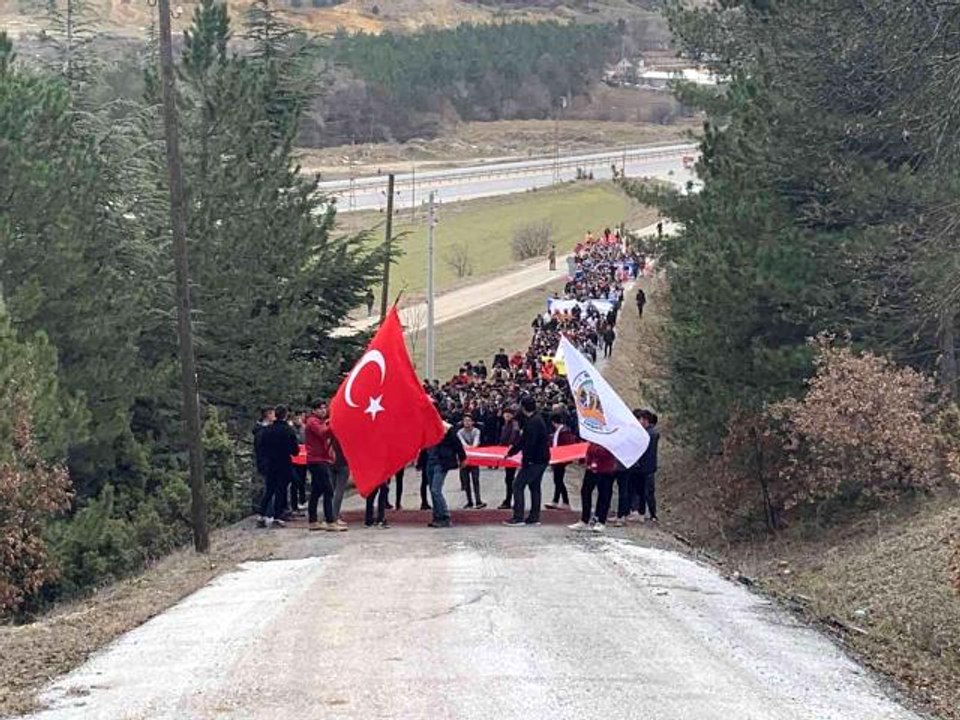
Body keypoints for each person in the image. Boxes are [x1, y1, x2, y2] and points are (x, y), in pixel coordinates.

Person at [503, 396, 550, 527]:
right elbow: (524, 441)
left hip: (534, 461)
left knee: (517, 485)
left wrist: (526, 461)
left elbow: (528, 443)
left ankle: (518, 517)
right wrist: (512, 452)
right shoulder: (536, 419)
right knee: (535, 487)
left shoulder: (532, 422)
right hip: (541, 459)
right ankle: (534, 517)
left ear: (523, 407)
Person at [257, 405, 299, 528]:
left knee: (269, 489)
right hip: (284, 463)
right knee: (281, 489)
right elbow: (294, 450)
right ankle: (277, 516)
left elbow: (262, 447)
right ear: (285, 415)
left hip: (270, 463)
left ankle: (261, 515)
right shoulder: (288, 430)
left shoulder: (267, 430)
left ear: (276, 415)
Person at [305, 401, 342, 532]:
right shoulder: (313, 422)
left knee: (316, 491)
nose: (323, 410)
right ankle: (330, 521)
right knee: (328, 490)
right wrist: (333, 423)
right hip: (317, 460)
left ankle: (313, 521)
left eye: (324, 408)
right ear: (314, 410)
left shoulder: (319, 421)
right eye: (320, 408)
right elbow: (323, 432)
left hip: (321, 459)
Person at [424, 420, 466, 528]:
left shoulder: (446, 427)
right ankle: (437, 516)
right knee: (433, 491)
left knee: (435, 490)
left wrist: (462, 458)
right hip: (429, 461)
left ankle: (445, 516)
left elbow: (457, 444)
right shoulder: (425, 425)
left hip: (441, 462)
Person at [569, 442, 619, 533]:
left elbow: (609, 453)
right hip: (591, 469)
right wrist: (588, 461)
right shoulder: (593, 440)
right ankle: (584, 519)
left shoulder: (611, 440)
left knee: (604, 494)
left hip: (606, 470)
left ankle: (601, 520)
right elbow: (589, 450)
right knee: (585, 491)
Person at [545, 413, 576, 510]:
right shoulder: (561, 431)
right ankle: (555, 500)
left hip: (560, 459)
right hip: (558, 458)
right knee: (558, 480)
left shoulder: (563, 432)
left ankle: (565, 502)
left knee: (558, 480)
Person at [635, 410, 660, 522]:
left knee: (647, 491)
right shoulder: (648, 433)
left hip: (647, 467)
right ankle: (644, 512)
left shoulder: (651, 434)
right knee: (642, 490)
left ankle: (651, 513)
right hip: (644, 467)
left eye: (642, 419)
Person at [457, 415, 485, 509]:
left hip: (474, 459)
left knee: (475, 480)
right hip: (464, 459)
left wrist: (471, 448)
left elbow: (476, 443)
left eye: (469, 421)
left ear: (473, 422)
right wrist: (469, 448)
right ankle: (469, 501)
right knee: (466, 481)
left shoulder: (476, 431)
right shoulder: (459, 432)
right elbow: (462, 443)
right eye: (465, 421)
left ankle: (478, 500)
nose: (467, 423)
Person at [497, 406, 521, 510]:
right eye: (505, 413)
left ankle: (509, 500)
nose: (507, 415)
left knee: (510, 478)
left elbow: (514, 434)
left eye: (509, 413)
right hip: (507, 452)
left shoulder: (514, 424)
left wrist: (511, 445)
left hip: (511, 453)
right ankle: (508, 499)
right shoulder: (505, 424)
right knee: (508, 478)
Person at [252, 406, 274, 513]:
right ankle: (268, 513)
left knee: (271, 487)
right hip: (266, 463)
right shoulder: (262, 431)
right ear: (268, 415)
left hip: (269, 462)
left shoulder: (266, 429)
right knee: (269, 488)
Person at [330, 434, 350, 528]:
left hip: (331, 463)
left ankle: (330, 514)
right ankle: (334, 516)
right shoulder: (344, 435)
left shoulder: (329, 433)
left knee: (332, 490)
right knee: (339, 491)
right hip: (342, 463)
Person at [290, 409, 307, 512]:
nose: (299, 420)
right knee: (295, 483)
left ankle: (302, 500)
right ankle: (294, 504)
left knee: (302, 481)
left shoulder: (304, 429)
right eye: (297, 417)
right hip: (293, 459)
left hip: (304, 459)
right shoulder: (291, 429)